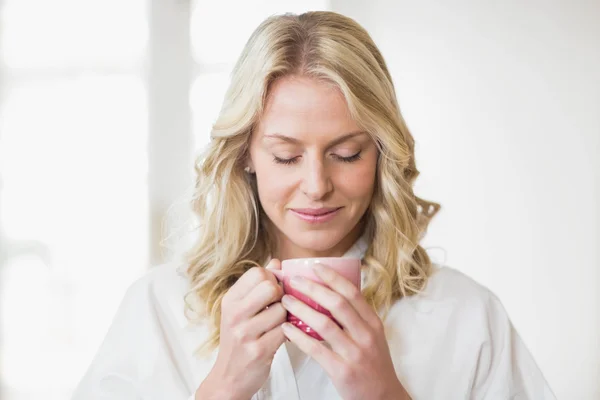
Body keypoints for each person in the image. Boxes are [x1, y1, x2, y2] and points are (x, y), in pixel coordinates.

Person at [72, 11, 556, 400]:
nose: (317, 185)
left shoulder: (466, 317)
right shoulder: (158, 310)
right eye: (286, 156)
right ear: (246, 155)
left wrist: (385, 397)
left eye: (347, 153)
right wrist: (222, 390)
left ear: (383, 152)